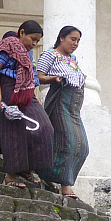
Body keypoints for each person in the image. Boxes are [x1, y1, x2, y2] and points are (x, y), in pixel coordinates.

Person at [0, 20, 54, 188]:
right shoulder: (8, 44)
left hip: (26, 92)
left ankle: (32, 168)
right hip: (8, 88)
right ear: (21, 33)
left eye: (38, 41)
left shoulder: (28, 52)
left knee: (44, 127)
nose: (34, 43)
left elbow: (31, 76)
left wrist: (34, 95)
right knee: (12, 131)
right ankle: (11, 176)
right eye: (33, 39)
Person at [35, 26, 89, 199]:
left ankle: (46, 173)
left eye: (78, 40)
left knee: (83, 147)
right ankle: (66, 187)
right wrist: (53, 78)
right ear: (61, 38)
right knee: (70, 143)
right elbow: (38, 76)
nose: (76, 43)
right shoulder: (49, 55)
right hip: (60, 101)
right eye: (73, 39)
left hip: (74, 106)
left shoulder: (72, 58)